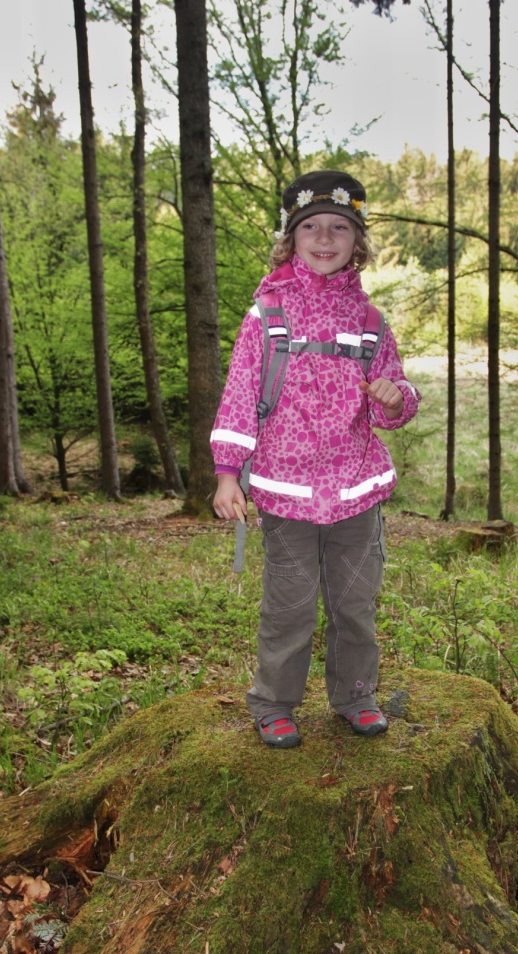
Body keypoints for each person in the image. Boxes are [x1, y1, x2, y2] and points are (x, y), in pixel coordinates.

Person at [211, 169, 421, 749]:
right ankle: (274, 703)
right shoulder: (267, 315)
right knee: (290, 607)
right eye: (311, 227)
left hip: (356, 491)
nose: (325, 238)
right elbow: (239, 397)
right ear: (290, 237)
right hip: (287, 494)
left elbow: (394, 397)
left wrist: (395, 397)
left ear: (358, 241)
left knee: (355, 605)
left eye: (340, 227)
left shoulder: (371, 322)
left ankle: (355, 696)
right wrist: (228, 474)